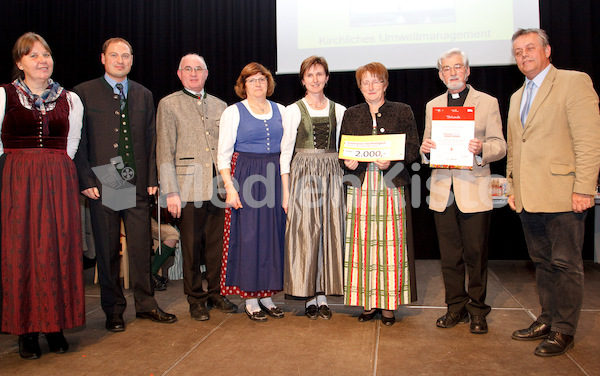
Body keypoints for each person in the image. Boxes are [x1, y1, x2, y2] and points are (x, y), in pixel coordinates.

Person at [507, 28, 600, 356]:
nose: (523, 55)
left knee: (566, 263)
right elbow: (515, 148)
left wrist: (585, 188)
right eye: (518, 51)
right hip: (529, 197)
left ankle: (564, 330)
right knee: (542, 262)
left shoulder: (574, 82)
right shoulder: (517, 96)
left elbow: (588, 141)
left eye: (530, 48)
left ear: (547, 50)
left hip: (565, 194)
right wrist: (512, 186)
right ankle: (546, 318)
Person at [74, 37, 177, 332]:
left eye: (126, 55)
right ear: (103, 58)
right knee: (107, 251)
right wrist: (86, 178)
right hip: (105, 178)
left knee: (142, 247)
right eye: (114, 55)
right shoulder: (83, 93)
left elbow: (151, 140)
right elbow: (78, 141)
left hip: (137, 182)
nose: (121, 60)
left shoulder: (144, 94)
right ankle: (114, 310)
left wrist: (151, 179)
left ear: (132, 59)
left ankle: (146, 305)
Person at [0, 32, 84, 359]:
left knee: (57, 248)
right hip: (18, 179)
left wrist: (53, 166)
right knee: (21, 251)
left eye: (46, 54)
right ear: (19, 62)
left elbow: (73, 143)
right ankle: (26, 330)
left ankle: (54, 325)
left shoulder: (70, 98)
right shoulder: (5, 95)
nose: (42, 61)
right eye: (33, 56)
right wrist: (17, 169)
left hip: (58, 178)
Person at [420, 48, 506, 334]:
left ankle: (478, 310)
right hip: (444, 190)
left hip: (474, 187)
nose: (452, 73)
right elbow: (427, 147)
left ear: (467, 71)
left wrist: (483, 149)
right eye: (446, 68)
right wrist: (425, 151)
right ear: (440, 74)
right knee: (449, 256)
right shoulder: (433, 104)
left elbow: (500, 145)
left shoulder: (488, 102)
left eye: (457, 67)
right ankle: (455, 308)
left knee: (476, 254)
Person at [156, 53, 237, 321]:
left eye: (198, 69)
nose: (193, 73)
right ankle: (195, 297)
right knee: (191, 246)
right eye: (188, 69)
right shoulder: (169, 105)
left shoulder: (221, 105)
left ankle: (215, 292)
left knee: (216, 245)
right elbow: (164, 151)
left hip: (217, 187)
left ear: (206, 73)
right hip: (187, 188)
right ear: (179, 74)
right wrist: (171, 192)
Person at [340, 62, 419, 326]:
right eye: (365, 82)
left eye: (376, 81)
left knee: (390, 247)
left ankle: (388, 306)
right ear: (359, 87)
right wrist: (347, 163)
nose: (371, 87)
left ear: (385, 84)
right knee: (361, 245)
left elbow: (412, 150)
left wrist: (392, 162)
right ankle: (367, 303)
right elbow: (345, 152)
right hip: (360, 188)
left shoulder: (402, 111)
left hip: (391, 186)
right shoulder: (352, 114)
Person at [217, 62, 286, 322]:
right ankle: (250, 297)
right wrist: (230, 189)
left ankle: (267, 295)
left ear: (268, 83)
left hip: (274, 177)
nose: (258, 84)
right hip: (246, 176)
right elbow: (222, 155)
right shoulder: (233, 112)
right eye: (252, 80)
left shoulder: (280, 110)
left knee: (272, 236)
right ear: (243, 85)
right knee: (249, 237)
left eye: (262, 79)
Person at [281, 56, 346, 320]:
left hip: (331, 171)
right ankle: (308, 296)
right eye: (310, 75)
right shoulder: (293, 110)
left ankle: (322, 296)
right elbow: (285, 152)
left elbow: (344, 146)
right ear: (303, 80)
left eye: (320, 74)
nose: (315, 79)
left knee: (329, 232)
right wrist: (285, 191)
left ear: (327, 78)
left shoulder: (340, 110)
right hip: (303, 173)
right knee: (307, 233)